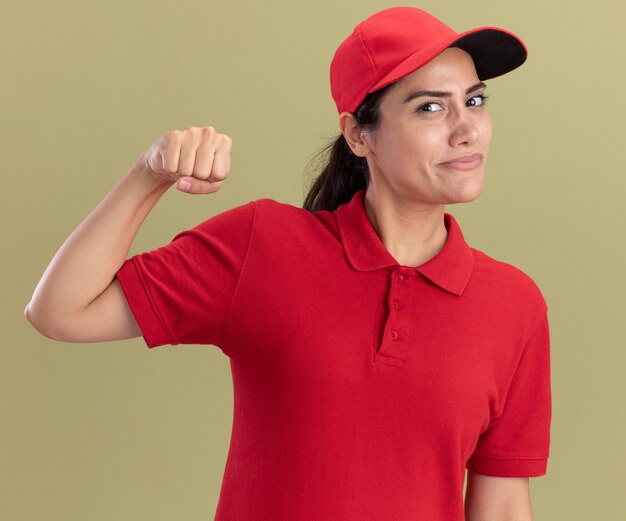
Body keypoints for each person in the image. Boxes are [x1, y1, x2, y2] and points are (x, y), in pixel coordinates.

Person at [24, 6, 551, 521]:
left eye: (475, 100)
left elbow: (502, 505)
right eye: (430, 108)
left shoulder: (514, 305)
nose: (467, 130)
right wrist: (149, 173)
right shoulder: (264, 247)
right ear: (357, 134)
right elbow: (61, 311)